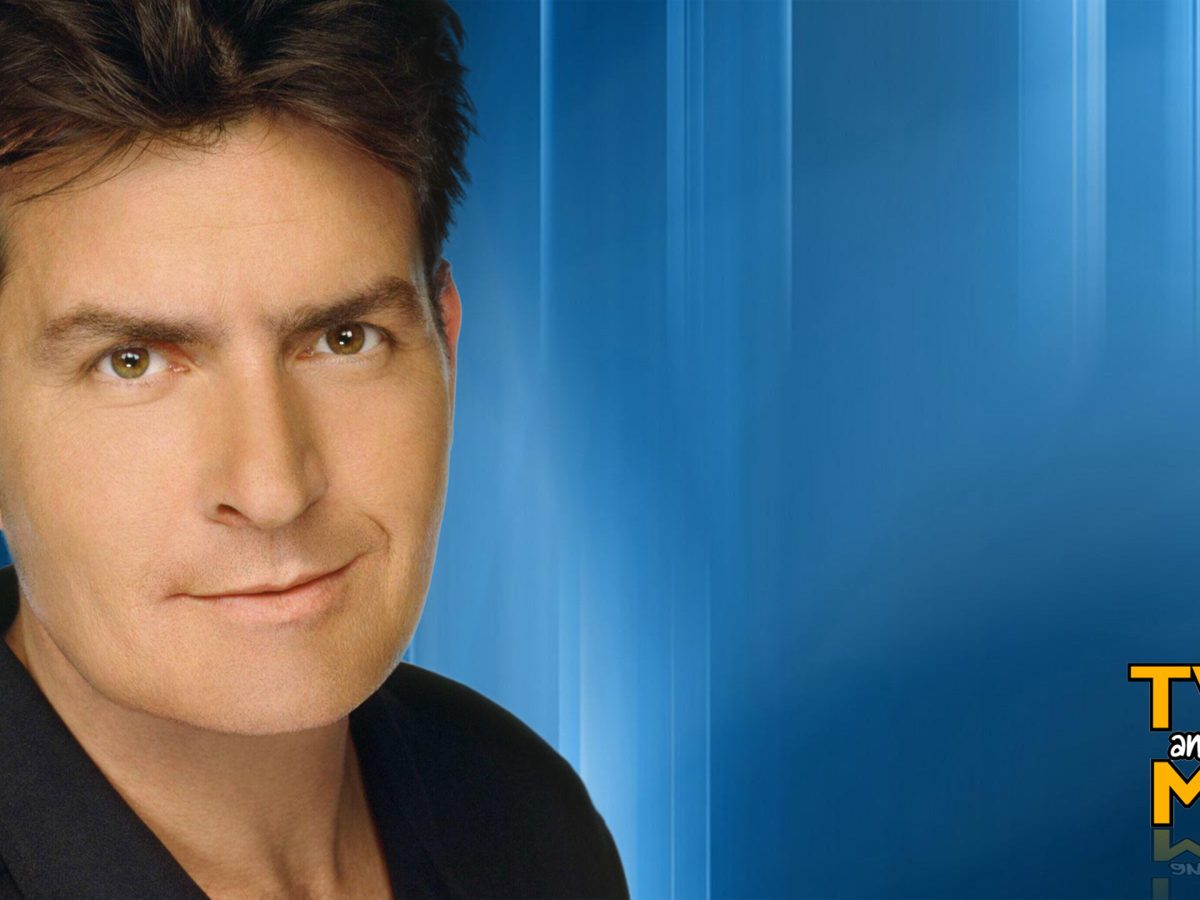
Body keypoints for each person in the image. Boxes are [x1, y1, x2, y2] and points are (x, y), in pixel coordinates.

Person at [0, 1, 628, 898]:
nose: (273, 488)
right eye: (131, 361)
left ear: (447, 346)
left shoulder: (523, 818)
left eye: (344, 339)